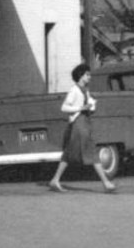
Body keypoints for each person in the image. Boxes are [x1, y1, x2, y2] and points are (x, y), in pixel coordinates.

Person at [49, 63, 116, 193]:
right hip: (79, 124)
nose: (89, 77)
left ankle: (55, 180)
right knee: (91, 152)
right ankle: (106, 183)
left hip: (84, 122)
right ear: (81, 76)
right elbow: (64, 107)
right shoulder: (74, 90)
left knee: (69, 153)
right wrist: (80, 108)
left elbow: (89, 104)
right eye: (87, 74)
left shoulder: (85, 90)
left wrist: (91, 106)